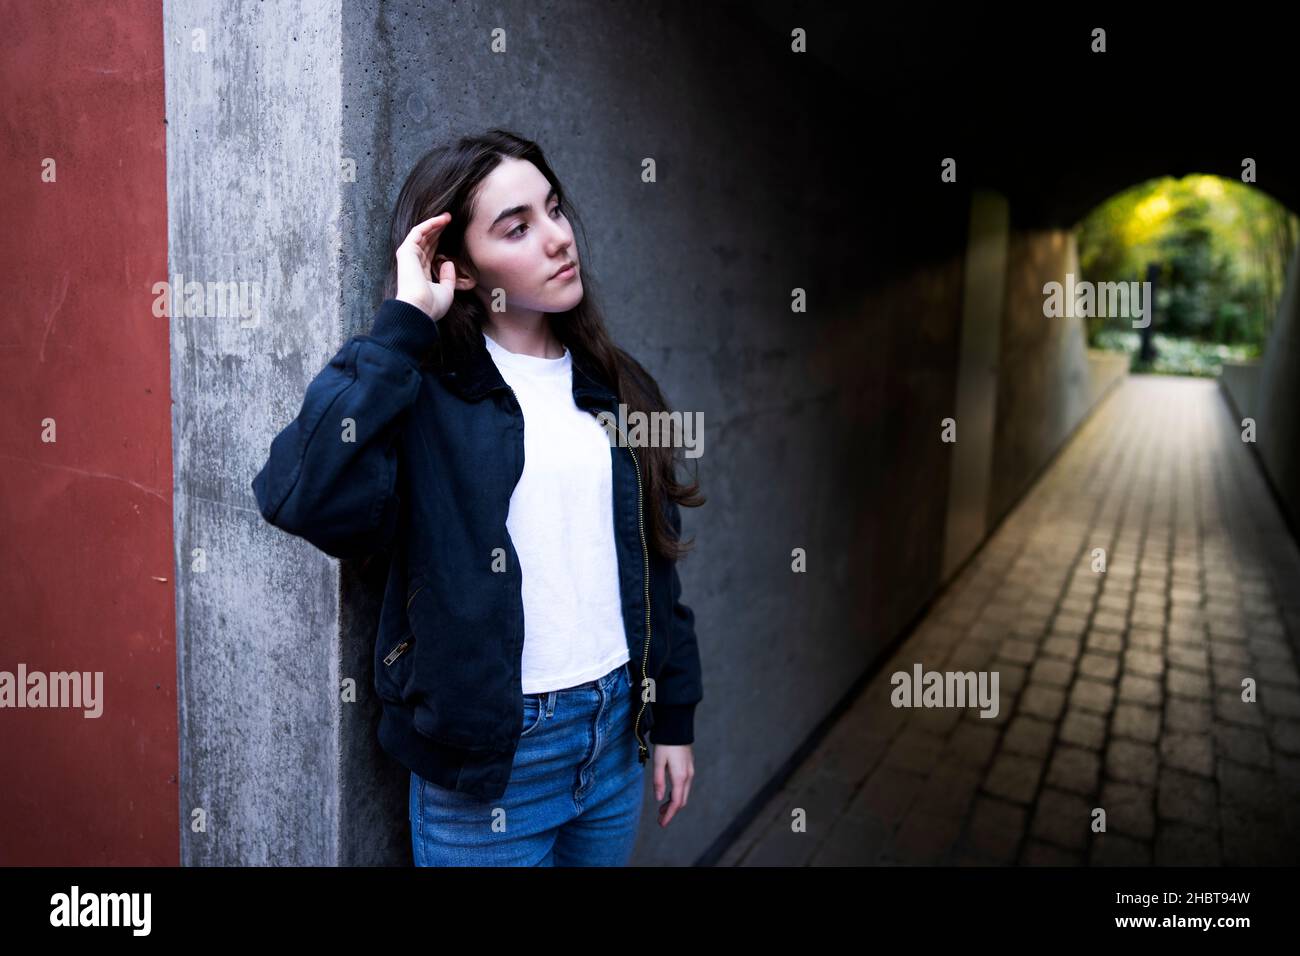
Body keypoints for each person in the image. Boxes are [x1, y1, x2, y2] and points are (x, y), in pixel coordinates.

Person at [251, 129, 704, 866]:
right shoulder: (426, 392)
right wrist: (401, 326)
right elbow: (302, 494)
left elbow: (658, 560)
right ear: (460, 269)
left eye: (554, 210)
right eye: (517, 227)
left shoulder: (618, 386)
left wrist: (674, 717)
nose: (559, 238)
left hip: (617, 730)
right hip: (492, 761)